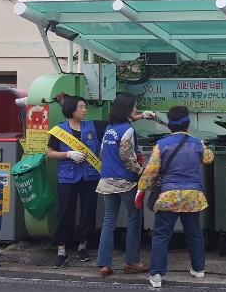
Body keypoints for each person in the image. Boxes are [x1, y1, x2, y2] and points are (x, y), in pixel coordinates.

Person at [136, 105, 214, 288]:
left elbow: (151, 172)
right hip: (192, 197)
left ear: (169, 126)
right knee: (194, 233)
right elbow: (209, 158)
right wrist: (202, 145)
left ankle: (156, 275)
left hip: (168, 197)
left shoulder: (161, 146)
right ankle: (199, 269)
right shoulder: (197, 143)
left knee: (161, 236)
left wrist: (142, 189)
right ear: (187, 124)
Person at [94, 92, 156, 278]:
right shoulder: (128, 130)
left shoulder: (110, 129)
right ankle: (132, 261)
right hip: (125, 181)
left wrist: (142, 116)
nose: (136, 109)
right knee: (134, 218)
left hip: (106, 180)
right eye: (134, 106)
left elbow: (103, 153)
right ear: (127, 108)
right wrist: (141, 172)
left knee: (108, 221)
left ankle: (104, 265)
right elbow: (127, 157)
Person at [46, 95, 102, 268]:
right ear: (71, 109)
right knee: (65, 212)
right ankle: (62, 251)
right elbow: (50, 153)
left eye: (85, 107)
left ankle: (82, 246)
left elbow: (119, 120)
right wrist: (69, 154)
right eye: (80, 107)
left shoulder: (94, 126)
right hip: (67, 177)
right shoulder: (59, 130)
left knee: (88, 211)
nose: (84, 110)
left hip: (90, 176)